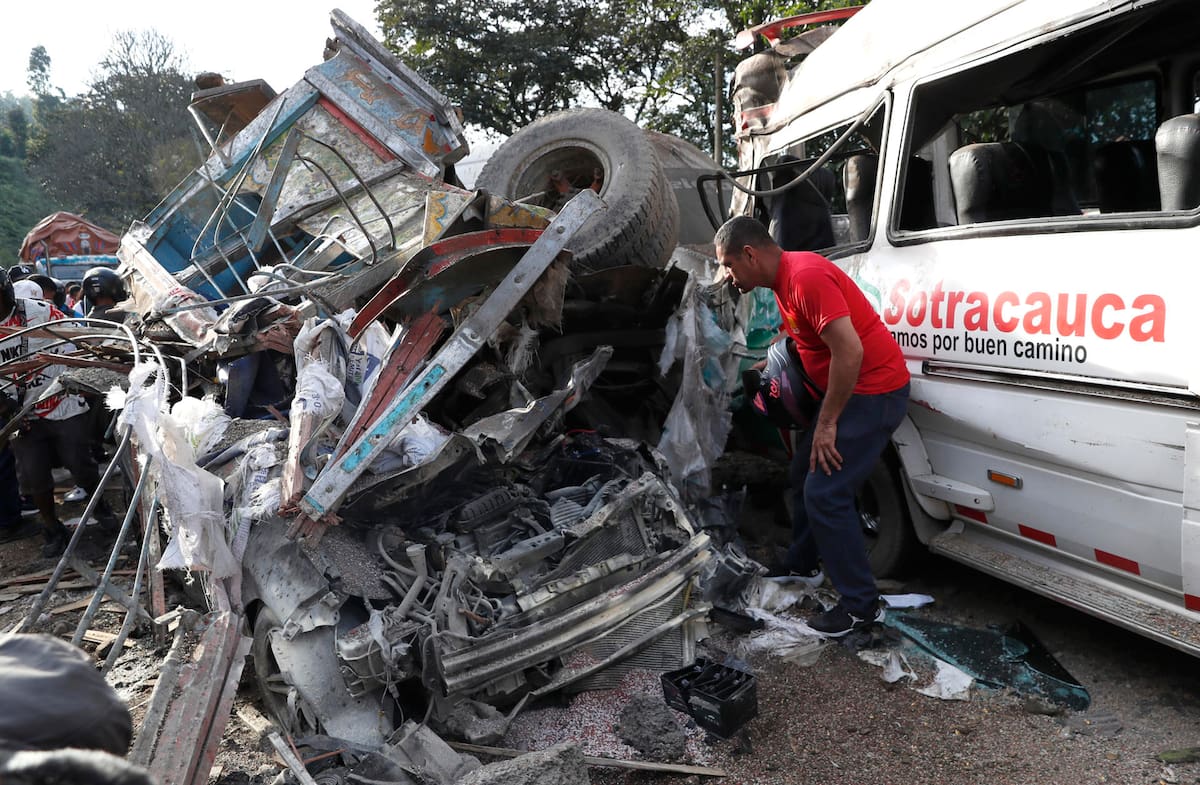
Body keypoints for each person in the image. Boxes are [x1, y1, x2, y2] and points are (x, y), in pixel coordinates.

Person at [714, 215, 910, 636]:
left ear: (750, 254)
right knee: (803, 474)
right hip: (851, 393)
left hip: (873, 393)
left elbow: (850, 352)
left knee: (826, 492)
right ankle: (803, 565)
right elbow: (809, 341)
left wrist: (826, 424)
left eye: (729, 265)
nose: (728, 277)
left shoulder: (804, 278)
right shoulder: (784, 281)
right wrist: (777, 361)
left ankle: (861, 608)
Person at [0, 267, 117, 557]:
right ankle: (52, 528)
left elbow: (78, 339)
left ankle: (99, 503)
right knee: (32, 475)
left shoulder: (40, 313)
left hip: (59, 401)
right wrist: (8, 409)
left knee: (80, 462)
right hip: (20, 412)